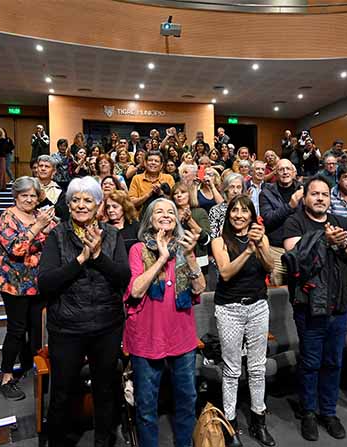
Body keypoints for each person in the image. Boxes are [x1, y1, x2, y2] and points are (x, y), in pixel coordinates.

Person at [38, 177, 130, 447]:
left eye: (87, 200)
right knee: (63, 392)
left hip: (107, 326)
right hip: (67, 328)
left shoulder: (112, 235)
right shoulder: (57, 235)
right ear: (68, 204)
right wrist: (80, 260)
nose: (81, 205)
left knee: (105, 390)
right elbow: (45, 282)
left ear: (99, 205)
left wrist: (99, 256)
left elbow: (123, 277)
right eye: (75, 200)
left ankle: (104, 440)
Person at [283, 176, 347, 441]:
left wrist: (340, 243)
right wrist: (325, 241)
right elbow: (296, 260)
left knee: (333, 361)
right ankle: (308, 411)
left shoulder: (341, 222)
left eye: (325, 195)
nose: (320, 198)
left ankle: (328, 411)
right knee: (310, 361)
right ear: (305, 197)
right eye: (315, 194)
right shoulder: (295, 222)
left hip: (339, 305)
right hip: (309, 306)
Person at [123, 198, 205, 447]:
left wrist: (190, 256)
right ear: (149, 219)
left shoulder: (185, 248)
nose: (166, 215)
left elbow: (199, 287)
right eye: (159, 211)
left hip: (182, 335)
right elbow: (136, 291)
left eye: (171, 212)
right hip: (147, 337)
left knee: (187, 401)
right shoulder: (137, 250)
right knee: (146, 406)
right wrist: (161, 258)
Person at [211, 195, 275, 446]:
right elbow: (225, 273)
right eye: (234, 211)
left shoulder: (262, 238)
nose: (239, 215)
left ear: (251, 214)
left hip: (258, 306)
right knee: (232, 369)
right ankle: (230, 425)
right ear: (228, 215)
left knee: (258, 367)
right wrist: (248, 249)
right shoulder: (220, 241)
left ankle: (259, 420)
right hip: (229, 309)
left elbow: (270, 266)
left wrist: (259, 246)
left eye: (244, 211)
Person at [0, 176, 57, 401]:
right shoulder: (6, 218)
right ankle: (6, 377)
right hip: (13, 282)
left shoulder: (41, 215)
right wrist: (39, 228)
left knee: (36, 327)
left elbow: (54, 236)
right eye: (24, 195)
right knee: (17, 329)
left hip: (38, 281)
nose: (29, 199)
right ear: (16, 196)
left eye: (33, 195)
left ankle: (31, 365)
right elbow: (16, 248)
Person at [259, 159, 303, 286]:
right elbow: (268, 219)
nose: (285, 172)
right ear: (275, 173)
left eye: (288, 169)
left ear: (294, 172)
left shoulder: (303, 190)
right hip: (276, 249)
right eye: (281, 169)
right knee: (277, 292)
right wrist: (290, 206)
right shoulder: (266, 193)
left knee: (300, 289)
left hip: (299, 248)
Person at [173, 182, 212, 270]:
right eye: (175, 193)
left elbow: (206, 240)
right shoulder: (170, 214)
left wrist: (190, 221)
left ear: (190, 194)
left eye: (183, 192)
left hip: (198, 261)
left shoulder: (199, 212)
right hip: (175, 260)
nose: (179, 195)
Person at [99, 189, 140, 253]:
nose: (110, 210)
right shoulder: (104, 228)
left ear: (124, 207)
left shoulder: (136, 226)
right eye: (108, 207)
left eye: (115, 207)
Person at [209, 173, 245, 239]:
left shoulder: (247, 210)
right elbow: (213, 236)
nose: (235, 191)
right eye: (232, 187)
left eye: (239, 187)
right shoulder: (216, 210)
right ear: (226, 189)